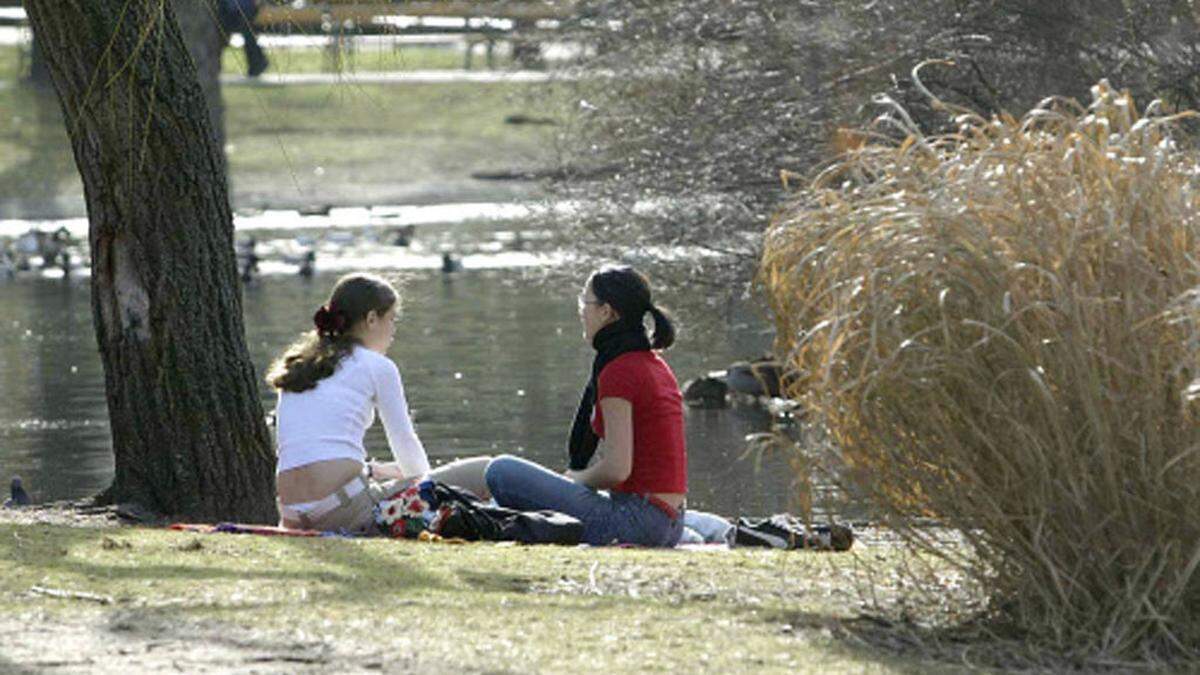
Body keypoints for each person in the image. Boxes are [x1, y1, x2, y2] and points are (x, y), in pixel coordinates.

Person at [268, 273, 489, 532]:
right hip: (346, 511)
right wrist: (429, 488)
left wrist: (375, 471)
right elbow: (405, 444)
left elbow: (316, 449)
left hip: (293, 515)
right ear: (372, 319)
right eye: (391, 319)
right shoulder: (376, 366)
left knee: (400, 474)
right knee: (490, 471)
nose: (393, 331)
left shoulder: (299, 368)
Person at [484, 265, 687, 547]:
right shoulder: (653, 363)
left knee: (500, 471)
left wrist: (574, 479)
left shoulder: (620, 371)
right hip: (671, 522)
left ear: (607, 312)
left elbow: (617, 469)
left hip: (637, 523)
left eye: (585, 301)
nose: (581, 310)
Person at [219, 0, 269, 78]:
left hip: (246, 7)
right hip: (229, 8)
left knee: (246, 29)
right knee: (220, 30)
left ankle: (257, 62)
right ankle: (258, 62)